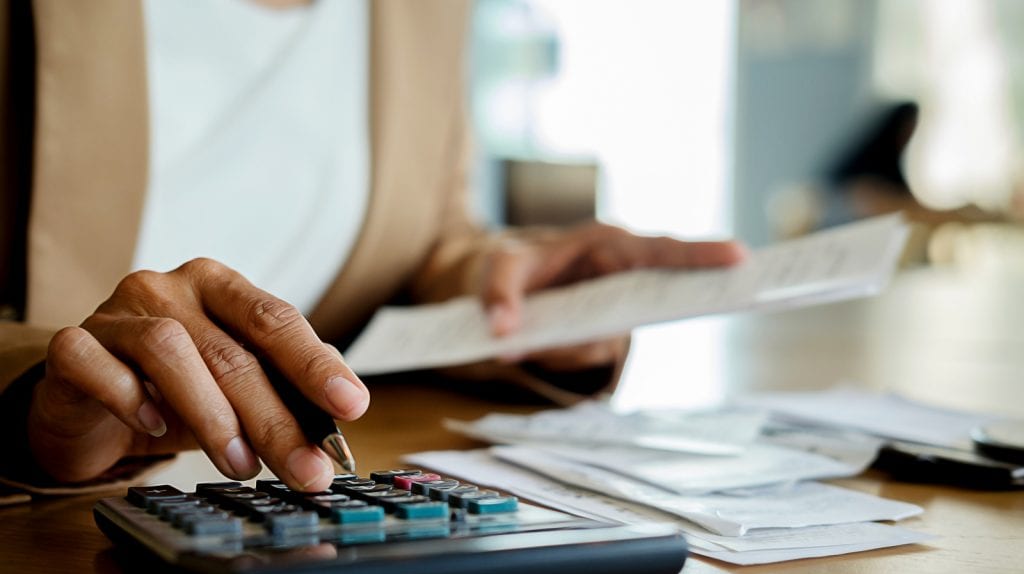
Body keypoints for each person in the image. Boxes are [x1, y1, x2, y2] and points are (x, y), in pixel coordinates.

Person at [0, 0, 744, 499]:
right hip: (58, 537)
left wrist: (512, 296)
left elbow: (426, 239)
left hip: (297, 504)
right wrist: (32, 402)